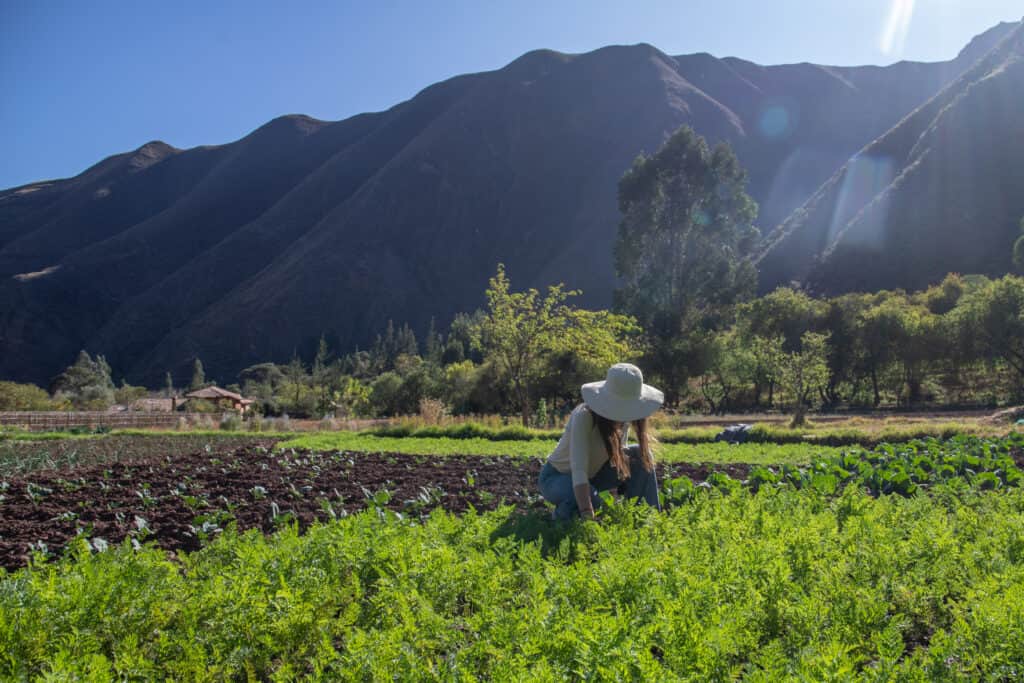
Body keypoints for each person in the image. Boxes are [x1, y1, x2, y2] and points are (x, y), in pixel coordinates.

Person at [538, 363, 663, 520]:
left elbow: (615, 461)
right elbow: (579, 471)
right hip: (557, 478)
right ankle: (555, 518)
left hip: (593, 477)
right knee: (589, 505)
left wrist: (611, 499)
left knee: (640, 455)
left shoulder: (623, 419)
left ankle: (648, 518)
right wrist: (587, 510)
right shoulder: (584, 416)